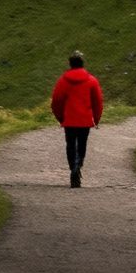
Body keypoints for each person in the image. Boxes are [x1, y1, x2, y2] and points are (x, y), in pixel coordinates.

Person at [50, 50, 103, 188]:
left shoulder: (63, 81)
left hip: (69, 120)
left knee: (70, 145)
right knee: (82, 145)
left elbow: (56, 101)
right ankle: (78, 165)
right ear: (82, 64)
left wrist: (60, 117)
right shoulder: (91, 80)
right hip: (85, 121)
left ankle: (73, 167)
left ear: (70, 64)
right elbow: (98, 102)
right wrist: (96, 119)